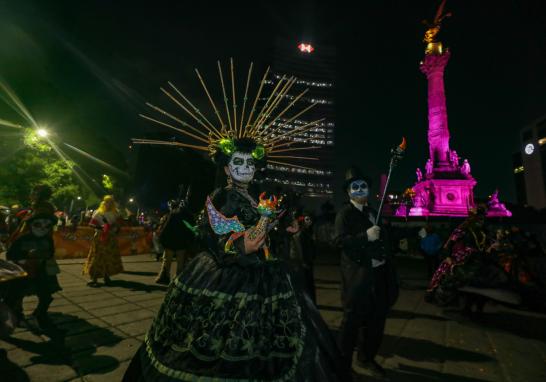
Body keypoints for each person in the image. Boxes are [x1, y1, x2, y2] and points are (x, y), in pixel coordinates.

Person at [124, 62, 346, 381]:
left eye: (249, 163)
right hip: (229, 275)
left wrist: (287, 226)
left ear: (256, 168)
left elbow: (265, 232)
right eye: (237, 162)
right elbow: (232, 243)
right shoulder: (221, 197)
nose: (243, 167)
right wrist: (262, 226)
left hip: (263, 271)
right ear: (227, 168)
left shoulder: (255, 196)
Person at [335, 166, 399, 378]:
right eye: (356, 187)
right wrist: (365, 236)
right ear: (349, 192)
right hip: (358, 278)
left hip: (379, 275)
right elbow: (339, 241)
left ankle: (366, 358)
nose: (360, 189)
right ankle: (342, 366)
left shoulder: (374, 212)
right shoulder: (344, 214)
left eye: (363, 186)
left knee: (376, 321)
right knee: (351, 322)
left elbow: (385, 240)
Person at [4, 207, 61, 329]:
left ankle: (40, 314)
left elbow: (51, 252)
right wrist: (26, 257)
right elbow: (10, 255)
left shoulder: (47, 239)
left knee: (46, 296)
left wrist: (43, 256)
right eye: (38, 224)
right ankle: (17, 318)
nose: (42, 228)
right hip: (22, 274)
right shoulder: (22, 239)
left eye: (47, 226)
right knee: (15, 297)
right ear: (31, 225)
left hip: (41, 272)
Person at [155, 192, 196, 285]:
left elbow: (165, 229)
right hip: (182, 244)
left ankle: (164, 278)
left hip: (170, 242)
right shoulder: (188, 216)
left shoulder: (171, 215)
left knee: (167, 261)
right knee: (180, 263)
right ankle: (179, 281)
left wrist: (162, 239)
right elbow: (191, 230)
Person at [82, 195, 123, 287]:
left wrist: (114, 228)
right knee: (97, 257)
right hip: (99, 237)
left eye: (110, 202)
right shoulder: (98, 213)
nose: (108, 203)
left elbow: (120, 225)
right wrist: (100, 227)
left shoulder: (116, 213)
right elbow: (91, 224)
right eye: (107, 201)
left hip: (111, 238)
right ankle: (94, 278)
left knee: (108, 257)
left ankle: (106, 277)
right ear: (103, 202)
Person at [286, 209, 317, 304]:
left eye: (310, 219)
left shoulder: (307, 233)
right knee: (304, 286)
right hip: (300, 265)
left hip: (304, 264)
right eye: (307, 219)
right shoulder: (300, 234)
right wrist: (304, 263)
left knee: (307, 286)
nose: (309, 222)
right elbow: (300, 250)